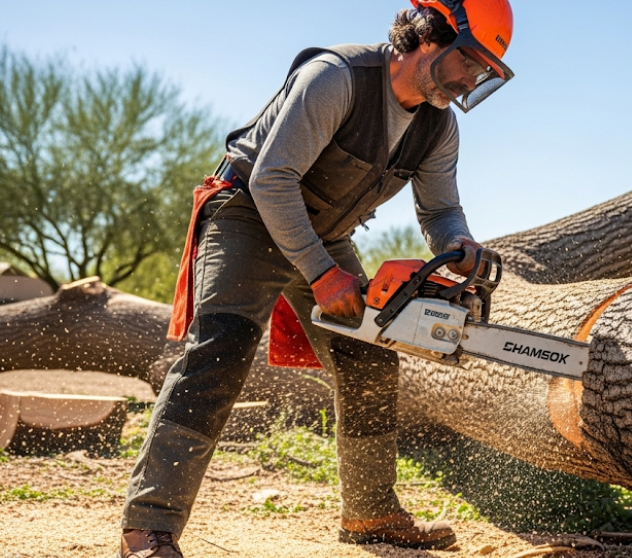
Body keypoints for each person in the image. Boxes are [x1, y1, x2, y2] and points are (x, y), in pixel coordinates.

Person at [118, 0, 515, 556]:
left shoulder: (438, 126)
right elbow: (274, 178)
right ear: (431, 34)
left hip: (325, 234)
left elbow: (440, 210)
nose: (470, 77)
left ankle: (370, 513)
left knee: (369, 358)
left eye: (483, 72)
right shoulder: (337, 78)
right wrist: (321, 273)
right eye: (468, 61)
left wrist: (459, 245)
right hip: (249, 216)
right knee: (220, 350)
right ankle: (148, 526)